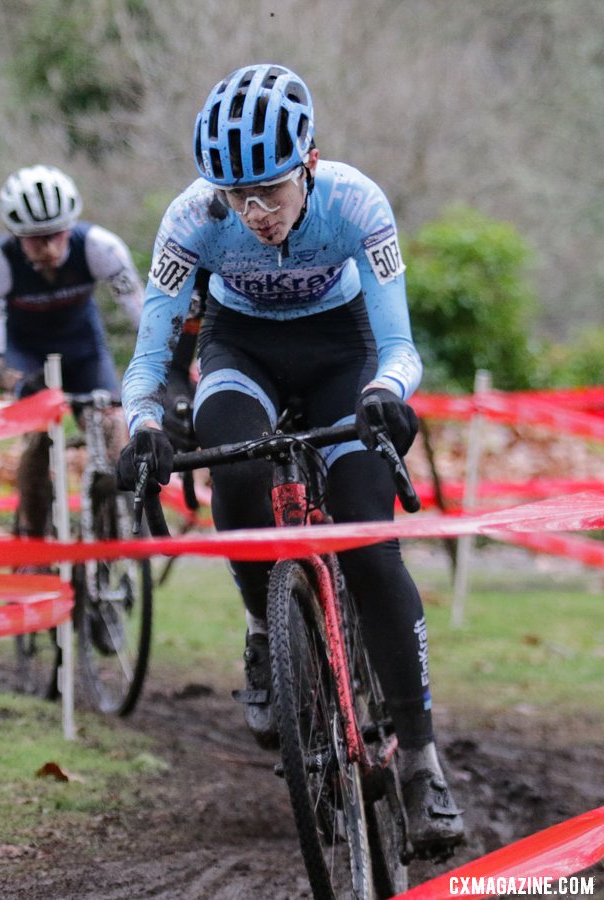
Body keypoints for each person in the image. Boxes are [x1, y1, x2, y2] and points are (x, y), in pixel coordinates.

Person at [117, 64, 464, 857]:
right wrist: (143, 425)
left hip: (346, 351)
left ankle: (420, 759)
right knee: (234, 471)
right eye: (238, 196)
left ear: (307, 161)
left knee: (371, 548)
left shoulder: (356, 203)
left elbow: (403, 344)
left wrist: (384, 390)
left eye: (270, 190)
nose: (256, 212)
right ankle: (263, 628)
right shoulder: (190, 220)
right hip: (242, 352)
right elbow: (147, 361)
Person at [0, 164, 144, 542]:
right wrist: (15, 382)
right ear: (15, 236)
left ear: (71, 226)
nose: (48, 248)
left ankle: (122, 517)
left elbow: (145, 320)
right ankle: (32, 536)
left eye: (55, 235)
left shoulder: (101, 246)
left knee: (113, 428)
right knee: (36, 441)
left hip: (84, 353)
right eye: (35, 239)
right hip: (27, 359)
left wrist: (155, 368)